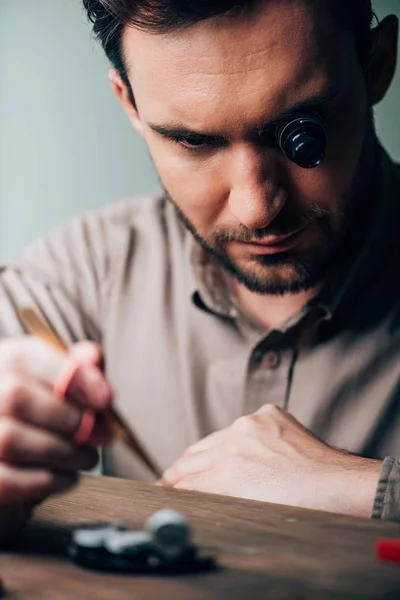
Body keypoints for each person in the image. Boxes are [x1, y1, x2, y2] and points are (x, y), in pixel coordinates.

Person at [0, 0, 399, 542]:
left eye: (299, 130)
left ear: (377, 65)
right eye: (194, 141)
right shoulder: (89, 269)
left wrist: (366, 489)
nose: (257, 207)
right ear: (130, 106)